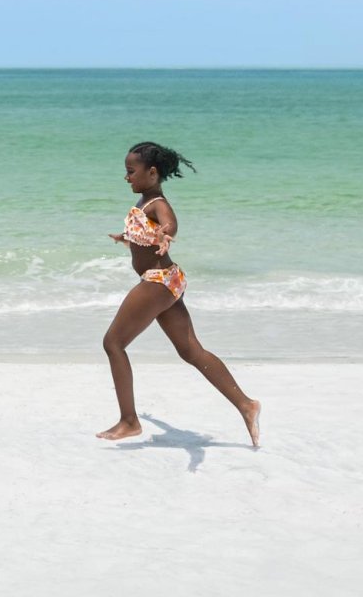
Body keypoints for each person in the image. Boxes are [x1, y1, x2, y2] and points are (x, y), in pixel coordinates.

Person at [99, 142, 262, 446]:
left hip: (158, 280)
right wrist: (127, 238)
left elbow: (169, 222)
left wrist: (166, 235)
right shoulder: (145, 202)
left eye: (131, 172)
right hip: (169, 279)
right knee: (191, 351)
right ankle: (246, 404)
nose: (126, 177)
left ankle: (129, 421)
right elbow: (145, 233)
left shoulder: (157, 202)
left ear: (152, 172)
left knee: (113, 343)